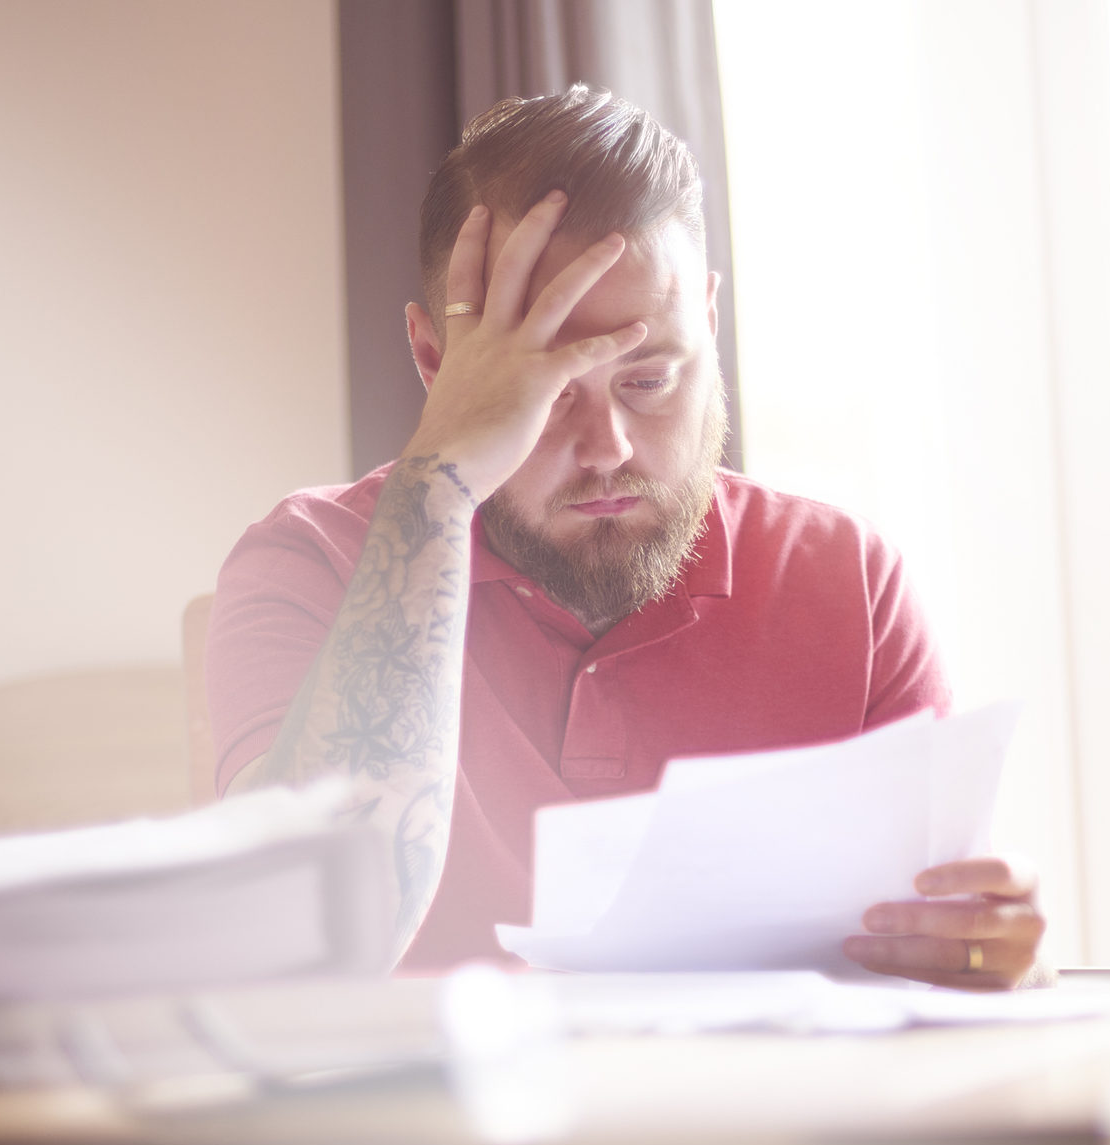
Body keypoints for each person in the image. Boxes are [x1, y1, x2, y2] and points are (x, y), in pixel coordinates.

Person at [204, 85, 1044, 989]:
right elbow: (308, 948)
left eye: (649, 380)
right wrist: (436, 492)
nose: (608, 449)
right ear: (436, 364)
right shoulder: (308, 564)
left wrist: (989, 957)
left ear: (710, 324)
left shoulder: (851, 582)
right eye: (549, 391)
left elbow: (944, 967)